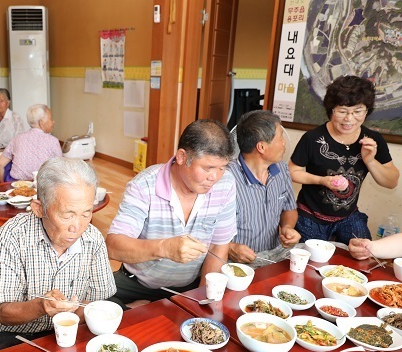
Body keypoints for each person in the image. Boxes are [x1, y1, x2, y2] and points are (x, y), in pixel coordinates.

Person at [0, 157, 116, 352]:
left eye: (86, 213)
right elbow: (3, 313)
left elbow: (98, 301)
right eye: (67, 215)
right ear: (39, 208)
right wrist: (42, 306)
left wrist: (75, 315)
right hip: (12, 334)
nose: (78, 227)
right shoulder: (11, 237)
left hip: (67, 330)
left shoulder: (93, 239)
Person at [106, 119, 237, 307]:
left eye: (222, 168)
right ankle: (148, 306)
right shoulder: (144, 185)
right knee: (89, 305)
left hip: (190, 284)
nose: (214, 178)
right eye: (208, 168)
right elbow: (113, 246)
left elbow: (218, 247)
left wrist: (202, 297)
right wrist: (165, 248)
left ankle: (145, 308)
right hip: (138, 282)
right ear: (182, 157)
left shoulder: (226, 184)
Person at [289, 75, 399, 245]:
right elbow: (292, 171)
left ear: (367, 111)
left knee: (364, 254)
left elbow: (391, 181)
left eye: (357, 112)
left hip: (349, 217)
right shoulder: (313, 138)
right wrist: (322, 180)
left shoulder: (372, 140)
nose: (349, 119)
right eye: (342, 111)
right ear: (331, 109)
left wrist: (370, 161)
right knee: (309, 262)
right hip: (310, 216)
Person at [228, 110, 300, 267]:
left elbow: (290, 209)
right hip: (236, 263)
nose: (284, 143)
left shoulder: (281, 169)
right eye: (280, 137)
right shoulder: (226, 178)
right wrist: (229, 248)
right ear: (261, 147)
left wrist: (287, 227)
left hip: (273, 256)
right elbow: (203, 229)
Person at [0, 104, 62, 182]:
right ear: (41, 122)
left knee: (9, 164)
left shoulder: (17, 138)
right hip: (40, 187)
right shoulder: (53, 141)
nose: (53, 122)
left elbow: (0, 163)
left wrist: (4, 186)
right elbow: (60, 169)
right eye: (51, 119)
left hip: (16, 186)